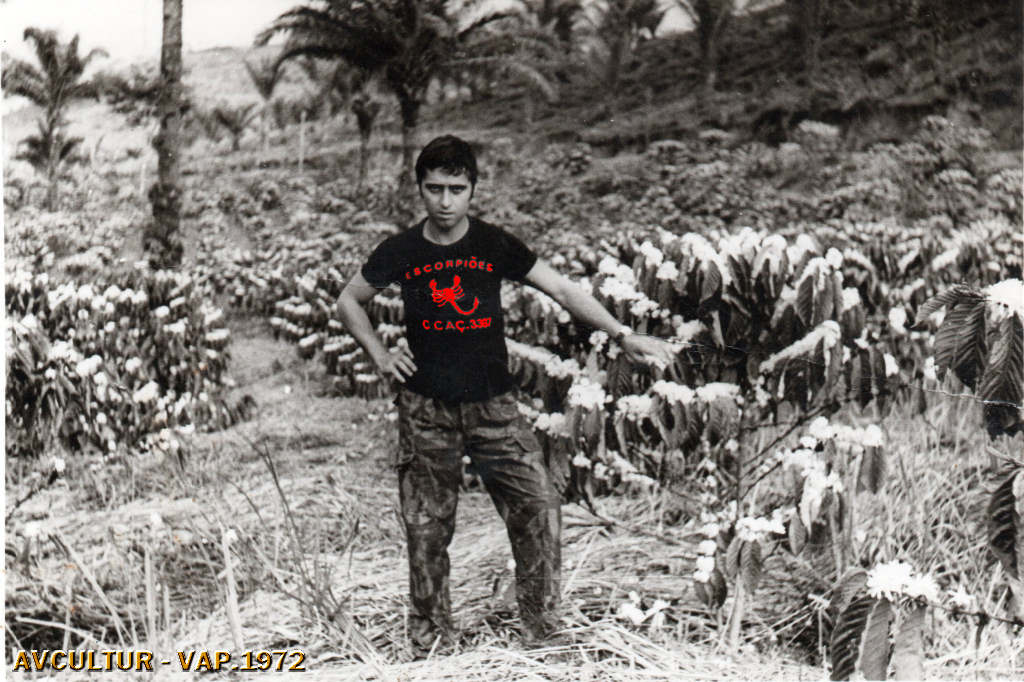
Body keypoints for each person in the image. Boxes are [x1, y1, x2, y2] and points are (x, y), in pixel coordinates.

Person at [336, 135, 675, 653]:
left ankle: (542, 631)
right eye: (434, 189)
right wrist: (381, 356)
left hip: (494, 406)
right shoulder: (402, 250)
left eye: (456, 189)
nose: (445, 201)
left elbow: (561, 289)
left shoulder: (493, 243)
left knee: (538, 506)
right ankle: (431, 644)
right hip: (426, 409)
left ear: (473, 189)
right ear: (419, 189)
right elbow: (349, 300)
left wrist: (623, 334)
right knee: (427, 528)